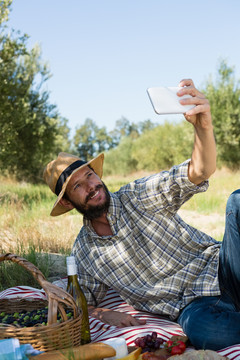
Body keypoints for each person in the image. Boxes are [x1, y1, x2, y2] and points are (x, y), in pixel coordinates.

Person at [44, 79, 240, 351]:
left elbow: (198, 171)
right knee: (207, 334)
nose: (92, 186)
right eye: (78, 186)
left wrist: (202, 126)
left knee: (237, 201)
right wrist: (103, 313)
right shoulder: (85, 252)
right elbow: (78, 302)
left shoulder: (137, 196)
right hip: (193, 307)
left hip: (225, 270)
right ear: (66, 202)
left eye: (90, 175)